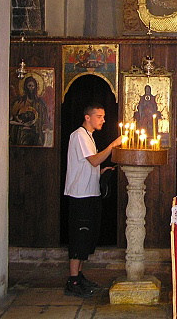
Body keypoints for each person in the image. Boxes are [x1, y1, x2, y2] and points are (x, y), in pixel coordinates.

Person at [64, 104, 122, 298]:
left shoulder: (88, 136)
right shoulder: (79, 135)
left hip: (90, 193)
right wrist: (113, 145)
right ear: (87, 117)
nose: (103, 120)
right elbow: (94, 160)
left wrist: (101, 171)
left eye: (103, 116)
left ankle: (79, 276)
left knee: (87, 238)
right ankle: (73, 281)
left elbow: (91, 164)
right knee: (79, 236)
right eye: (99, 116)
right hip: (80, 195)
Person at [10, 75, 50, 146]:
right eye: (29, 86)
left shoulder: (40, 104)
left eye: (32, 86)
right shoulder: (19, 102)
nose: (31, 88)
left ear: (35, 88)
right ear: (25, 87)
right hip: (22, 133)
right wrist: (22, 123)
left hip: (36, 133)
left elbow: (45, 120)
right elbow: (12, 119)